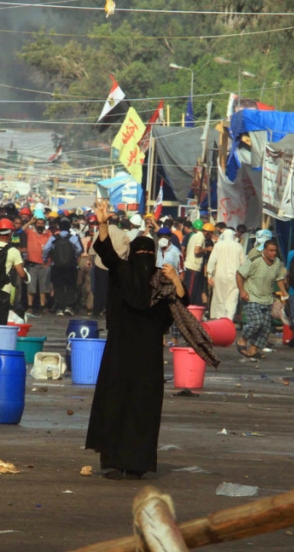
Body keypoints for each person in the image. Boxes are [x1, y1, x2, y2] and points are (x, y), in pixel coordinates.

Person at [85, 200, 184, 480]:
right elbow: (179, 305)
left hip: (119, 353)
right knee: (143, 408)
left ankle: (113, 460)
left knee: (116, 403)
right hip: (148, 357)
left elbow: (107, 253)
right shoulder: (160, 281)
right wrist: (175, 279)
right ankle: (136, 462)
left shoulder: (122, 274)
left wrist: (103, 223)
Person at [236, 238, 287, 359]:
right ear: (264, 250)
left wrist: (285, 294)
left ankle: (253, 350)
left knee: (265, 327)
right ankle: (242, 340)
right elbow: (239, 274)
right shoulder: (255, 261)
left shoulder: (277, 263)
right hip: (252, 296)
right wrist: (242, 291)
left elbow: (279, 278)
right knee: (256, 322)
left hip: (267, 298)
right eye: (270, 250)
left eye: (275, 251)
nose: (273, 253)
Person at [0, 218, 28, 326]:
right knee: (1, 322)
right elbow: (21, 274)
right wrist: (27, 277)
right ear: (11, 233)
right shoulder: (13, 251)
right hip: (3, 290)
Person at [43, 218, 84, 316]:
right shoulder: (73, 238)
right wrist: (74, 256)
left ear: (59, 227)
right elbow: (80, 249)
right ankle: (68, 307)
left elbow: (45, 249)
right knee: (70, 286)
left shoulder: (54, 238)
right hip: (71, 266)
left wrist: (45, 259)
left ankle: (59, 308)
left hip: (56, 266)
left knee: (58, 286)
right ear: (69, 227)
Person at [206, 228, 246, 320]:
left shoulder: (218, 245)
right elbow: (243, 263)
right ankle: (229, 319)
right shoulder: (238, 246)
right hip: (234, 277)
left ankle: (221, 321)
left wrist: (209, 275)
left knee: (220, 299)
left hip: (219, 276)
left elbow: (212, 261)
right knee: (232, 299)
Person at [24, 216, 52, 315]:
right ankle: (30, 306)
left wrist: (49, 262)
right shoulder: (30, 231)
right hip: (32, 263)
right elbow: (20, 231)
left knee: (43, 286)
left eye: (42, 223)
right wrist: (30, 222)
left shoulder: (48, 233)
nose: (40, 225)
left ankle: (43, 306)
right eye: (38, 223)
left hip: (44, 264)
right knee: (31, 286)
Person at [183, 219, 206, 306]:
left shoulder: (193, 236)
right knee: (191, 290)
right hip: (193, 266)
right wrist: (207, 249)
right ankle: (187, 307)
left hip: (190, 265)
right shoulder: (200, 236)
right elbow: (197, 251)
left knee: (191, 288)